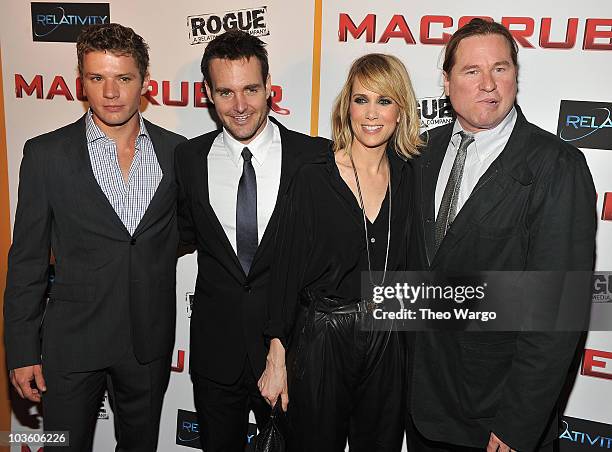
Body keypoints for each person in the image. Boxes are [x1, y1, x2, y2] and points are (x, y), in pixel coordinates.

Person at [407, 18, 597, 452]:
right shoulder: (420, 153)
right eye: (472, 71)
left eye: (501, 68)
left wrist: (518, 425)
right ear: (447, 80)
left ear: (515, 75)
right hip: (422, 407)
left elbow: (557, 311)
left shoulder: (556, 165)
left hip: (496, 419)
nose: (488, 84)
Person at [4, 23, 186, 451]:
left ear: (145, 82)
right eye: (97, 78)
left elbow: (185, 233)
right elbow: (27, 260)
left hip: (148, 344)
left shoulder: (179, 153)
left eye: (123, 78)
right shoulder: (45, 154)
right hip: (71, 343)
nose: (110, 92)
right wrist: (22, 350)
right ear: (81, 82)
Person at [174, 29, 329, 451]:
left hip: (291, 355)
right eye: (225, 92)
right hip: (215, 354)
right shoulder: (188, 160)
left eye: (250, 90)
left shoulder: (314, 158)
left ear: (269, 88)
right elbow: (172, 236)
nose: (240, 106)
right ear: (208, 93)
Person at [259, 53, 422, 452]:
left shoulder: (410, 177)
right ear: (346, 105)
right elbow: (284, 272)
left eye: (384, 101)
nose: (371, 113)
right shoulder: (313, 177)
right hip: (322, 337)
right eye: (361, 99)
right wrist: (276, 360)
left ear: (400, 111)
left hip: (387, 334)